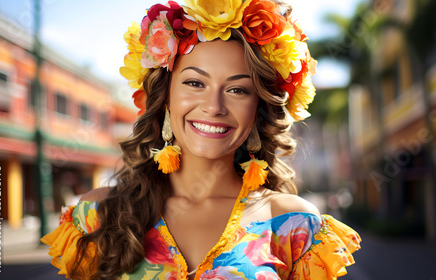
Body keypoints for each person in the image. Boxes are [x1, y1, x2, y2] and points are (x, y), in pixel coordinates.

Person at [41, 0, 361, 279]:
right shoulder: (98, 215)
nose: (214, 107)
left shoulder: (294, 224)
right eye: (195, 83)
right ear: (165, 97)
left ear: (257, 109)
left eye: (237, 90)